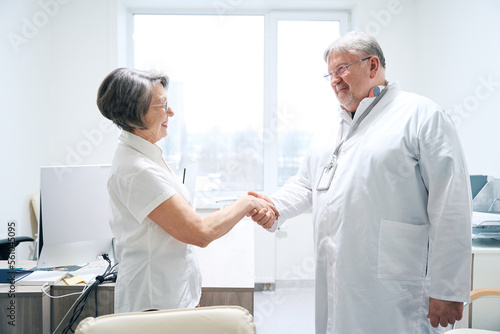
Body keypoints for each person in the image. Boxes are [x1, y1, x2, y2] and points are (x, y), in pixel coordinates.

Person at [249, 31, 472, 333]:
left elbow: (452, 203)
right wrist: (274, 206)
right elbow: (306, 183)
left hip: (397, 285)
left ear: (372, 66)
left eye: (342, 68)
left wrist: (447, 287)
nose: (334, 80)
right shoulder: (330, 128)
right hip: (340, 274)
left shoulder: (421, 116)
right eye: (329, 73)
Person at [97, 68, 277, 313]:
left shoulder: (146, 155)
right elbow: (200, 232)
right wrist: (246, 202)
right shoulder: (138, 170)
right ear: (133, 114)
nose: (170, 112)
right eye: (162, 105)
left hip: (168, 293)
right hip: (155, 302)